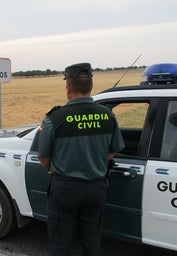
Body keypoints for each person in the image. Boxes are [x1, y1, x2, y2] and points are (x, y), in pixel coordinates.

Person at [36, 62, 125, 256]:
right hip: (96, 188)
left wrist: (56, 168)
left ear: (67, 87)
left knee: (60, 241)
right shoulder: (108, 116)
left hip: (65, 189)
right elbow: (112, 152)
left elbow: (43, 158)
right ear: (90, 86)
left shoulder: (54, 118)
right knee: (92, 238)